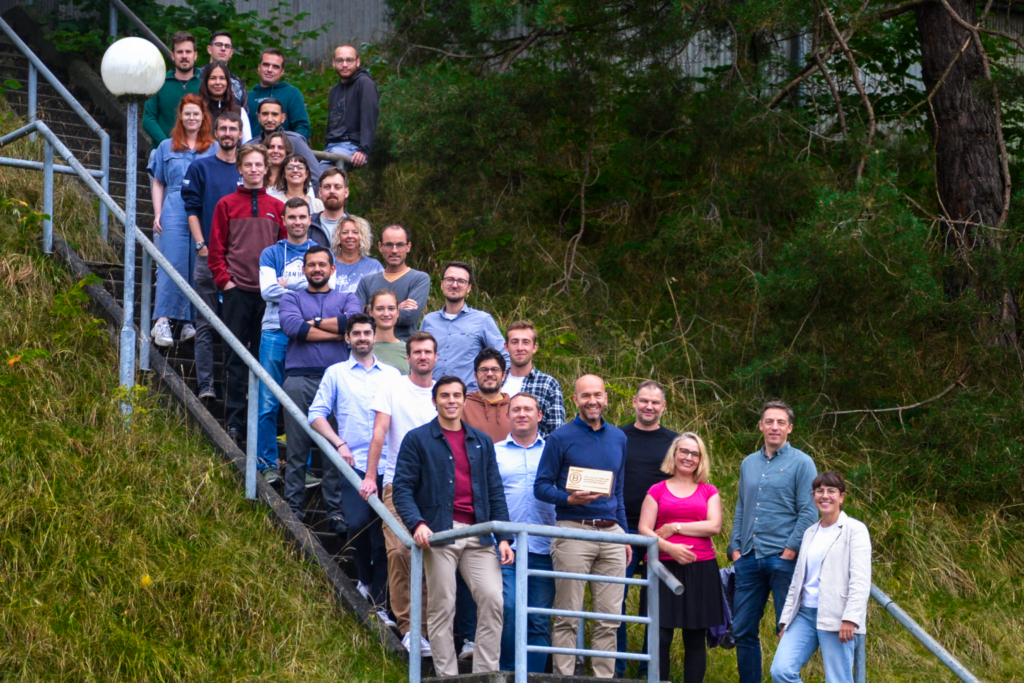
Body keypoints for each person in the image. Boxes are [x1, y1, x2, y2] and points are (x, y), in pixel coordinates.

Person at [391, 375, 514, 677]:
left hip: (479, 533)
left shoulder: (481, 441)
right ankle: (446, 675)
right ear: (434, 401)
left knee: (493, 600)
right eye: (444, 396)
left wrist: (504, 537)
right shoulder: (417, 439)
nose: (451, 401)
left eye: (457, 395)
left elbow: (494, 490)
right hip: (440, 533)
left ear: (463, 399)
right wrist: (417, 524)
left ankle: (486, 674)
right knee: (442, 606)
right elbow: (402, 489)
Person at [534, 374, 631, 679]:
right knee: (568, 615)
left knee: (609, 618)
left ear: (605, 398)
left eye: (597, 395)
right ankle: (563, 676)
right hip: (573, 531)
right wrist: (568, 498)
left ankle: (603, 677)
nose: (592, 401)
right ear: (574, 400)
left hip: (612, 533)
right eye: (585, 395)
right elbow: (541, 486)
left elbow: (619, 492)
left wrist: (625, 535)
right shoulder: (560, 438)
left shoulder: (619, 438)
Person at [308, 313, 401, 625]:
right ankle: (363, 578)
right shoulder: (336, 373)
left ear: (375, 337)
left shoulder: (392, 375)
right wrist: (338, 443)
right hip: (354, 465)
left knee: (382, 534)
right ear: (347, 339)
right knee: (359, 523)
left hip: (389, 465)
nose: (363, 338)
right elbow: (316, 414)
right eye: (357, 333)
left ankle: (378, 598)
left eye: (367, 333)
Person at [728, 401, 819, 683]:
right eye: (769, 421)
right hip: (749, 559)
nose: (774, 427)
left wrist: (790, 550)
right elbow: (742, 507)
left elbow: (809, 510)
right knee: (742, 630)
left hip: (783, 560)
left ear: (790, 428)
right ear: (761, 426)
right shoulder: (748, 463)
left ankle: (785, 677)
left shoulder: (802, 463)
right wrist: (735, 549)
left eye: (781, 422)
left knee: (787, 630)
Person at [361, 331, 439, 655]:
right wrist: (370, 476)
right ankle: (408, 628)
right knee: (399, 552)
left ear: (436, 357)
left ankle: (429, 630)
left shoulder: (445, 393)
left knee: (432, 559)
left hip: (436, 490)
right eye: (417, 352)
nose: (422, 356)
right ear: (407, 357)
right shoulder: (393, 387)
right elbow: (379, 432)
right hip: (397, 484)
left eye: (428, 352)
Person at [207, 142, 286, 445]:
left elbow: (283, 252)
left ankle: (264, 424)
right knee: (234, 359)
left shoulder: (278, 208)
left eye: (259, 165)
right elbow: (216, 249)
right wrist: (225, 281)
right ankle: (235, 422)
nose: (254, 170)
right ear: (239, 168)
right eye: (248, 165)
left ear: (267, 169)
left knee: (266, 359)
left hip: (269, 296)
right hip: (237, 291)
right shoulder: (226, 204)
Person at [277, 245, 361, 517]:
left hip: (339, 381)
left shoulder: (348, 298)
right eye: (311, 265)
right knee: (297, 448)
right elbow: (293, 328)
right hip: (299, 378)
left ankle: (335, 512)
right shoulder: (291, 298)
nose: (316, 269)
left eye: (322, 265)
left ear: (332, 268)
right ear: (304, 270)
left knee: (336, 448)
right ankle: (293, 507)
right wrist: (336, 333)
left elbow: (352, 324)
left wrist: (312, 323)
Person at [637, 432, 724, 683]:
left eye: (694, 454)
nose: (688, 457)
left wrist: (675, 527)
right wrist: (668, 547)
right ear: (674, 455)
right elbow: (644, 528)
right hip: (663, 568)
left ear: (701, 459)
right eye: (683, 451)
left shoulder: (709, 490)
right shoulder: (657, 490)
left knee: (695, 637)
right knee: (661, 635)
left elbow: (714, 526)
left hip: (701, 569)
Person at [256, 198, 330, 483]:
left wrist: (287, 284)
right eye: (292, 217)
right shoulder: (271, 253)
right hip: (274, 331)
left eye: (302, 216)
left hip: (308, 333)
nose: (297, 222)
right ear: (283, 220)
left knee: (306, 403)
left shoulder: (320, 252)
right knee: (267, 401)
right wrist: (306, 285)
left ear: (310, 219)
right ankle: (267, 463)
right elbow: (267, 291)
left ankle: (305, 468)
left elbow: (326, 290)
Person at [771, 471, 871, 683]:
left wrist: (850, 618)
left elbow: (860, 580)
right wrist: (785, 621)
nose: (825, 496)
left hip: (837, 616)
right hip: (805, 615)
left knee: (838, 680)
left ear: (842, 497)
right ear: (814, 496)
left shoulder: (855, 530)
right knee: (781, 670)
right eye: (820, 491)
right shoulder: (809, 532)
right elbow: (797, 581)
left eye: (831, 491)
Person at [616, 380, 679, 678]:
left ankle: (647, 667)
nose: (649, 407)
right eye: (644, 401)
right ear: (634, 402)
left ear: (663, 406)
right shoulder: (617, 436)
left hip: (660, 535)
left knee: (653, 604)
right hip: (621, 530)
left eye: (655, 402)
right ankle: (616, 665)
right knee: (616, 599)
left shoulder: (674, 442)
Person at [181, 111, 243, 400]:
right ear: (215, 133)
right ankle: (206, 384)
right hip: (208, 257)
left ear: (241, 134)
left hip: (242, 262)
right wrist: (200, 244)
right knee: (205, 321)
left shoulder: (248, 172)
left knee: (239, 326)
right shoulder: (200, 168)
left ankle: (236, 389)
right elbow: (191, 208)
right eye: (223, 128)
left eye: (233, 128)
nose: (228, 133)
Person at [147, 94, 217, 347]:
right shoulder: (166, 146)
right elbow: (158, 181)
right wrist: (157, 213)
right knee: (171, 261)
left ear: (203, 118)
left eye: (196, 114)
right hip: (174, 205)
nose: (191, 118)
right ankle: (162, 321)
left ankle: (189, 321)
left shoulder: (214, 147)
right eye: (187, 113)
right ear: (181, 116)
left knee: (197, 264)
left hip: (203, 208)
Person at [495, 392, 557, 673]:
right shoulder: (494, 452)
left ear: (539, 415)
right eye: (516, 409)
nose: (522, 414)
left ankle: (534, 676)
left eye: (528, 409)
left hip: (546, 547)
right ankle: (509, 672)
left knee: (539, 619)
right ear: (507, 416)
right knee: (509, 610)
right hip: (507, 547)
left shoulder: (554, 451)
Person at [419, 261, 507, 392]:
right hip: (430, 396)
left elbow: (505, 358)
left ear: (469, 288)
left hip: (468, 399)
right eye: (450, 280)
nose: (454, 285)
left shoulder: (482, 320)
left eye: (461, 281)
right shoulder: (429, 320)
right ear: (442, 284)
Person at [355, 225, 430, 341]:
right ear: (380, 247)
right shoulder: (367, 282)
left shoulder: (419, 279)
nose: (394, 250)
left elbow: (409, 318)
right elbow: (356, 317)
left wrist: (367, 309)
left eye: (400, 245)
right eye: (389, 245)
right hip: (370, 348)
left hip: (404, 350)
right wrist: (398, 308)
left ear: (408, 247)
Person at [321, 44, 379, 174]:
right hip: (332, 147)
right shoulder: (334, 91)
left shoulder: (364, 83)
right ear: (334, 63)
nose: (345, 64)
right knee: (301, 170)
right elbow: (331, 125)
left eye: (349, 60)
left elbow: (369, 117)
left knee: (318, 178)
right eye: (340, 60)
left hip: (351, 145)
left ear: (357, 62)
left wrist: (364, 149)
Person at [502, 320, 566, 438]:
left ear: (534, 347)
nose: (520, 347)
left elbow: (556, 433)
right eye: (514, 342)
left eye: (526, 342)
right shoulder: (496, 383)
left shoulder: (548, 385)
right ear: (506, 346)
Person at [142, 31, 201, 154]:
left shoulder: (204, 86)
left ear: (195, 55)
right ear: (173, 55)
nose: (184, 56)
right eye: (180, 52)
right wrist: (167, 143)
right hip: (162, 150)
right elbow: (148, 119)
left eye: (188, 52)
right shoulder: (158, 83)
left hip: (197, 151)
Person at [248, 48, 311, 140]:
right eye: (266, 65)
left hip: (282, 151)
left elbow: (302, 127)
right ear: (259, 67)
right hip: (253, 150)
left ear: (282, 72)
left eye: (275, 67)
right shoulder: (248, 97)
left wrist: (289, 146)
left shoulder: (291, 94)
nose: (270, 69)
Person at [255, 98, 321, 181]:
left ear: (283, 118)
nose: (269, 119)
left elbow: (315, 175)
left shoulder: (295, 141)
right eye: (265, 114)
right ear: (259, 117)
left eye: (274, 114)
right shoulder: (252, 145)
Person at [462, 348, 511, 444]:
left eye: (495, 369)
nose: (489, 374)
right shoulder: (462, 406)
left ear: (504, 375)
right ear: (475, 376)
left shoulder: (515, 408)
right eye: (484, 370)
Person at [197, 60, 252, 142]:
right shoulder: (197, 110)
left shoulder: (239, 112)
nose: (218, 82)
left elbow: (247, 145)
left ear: (228, 82)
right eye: (213, 78)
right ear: (206, 81)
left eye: (222, 78)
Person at [331, 215, 382, 294]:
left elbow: (383, 295)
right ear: (338, 236)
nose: (350, 236)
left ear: (362, 237)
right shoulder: (329, 265)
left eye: (355, 232)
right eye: (345, 232)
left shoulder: (373, 266)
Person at [199, 31, 248, 110]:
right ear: (209, 49)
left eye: (227, 46)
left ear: (231, 52)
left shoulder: (237, 84)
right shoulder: (196, 76)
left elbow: (243, 113)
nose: (223, 49)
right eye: (219, 45)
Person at [367, 288, 408, 373]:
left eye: (391, 308)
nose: (386, 314)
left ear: (398, 312)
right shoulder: (361, 347)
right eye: (380, 309)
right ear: (371, 312)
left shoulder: (408, 349)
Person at [308, 167, 349, 247]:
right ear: (320, 192)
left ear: (346, 192)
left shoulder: (358, 227)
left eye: (337, 187)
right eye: (327, 187)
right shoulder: (308, 224)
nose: (332, 191)